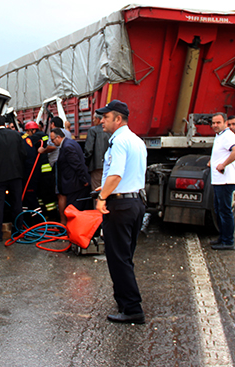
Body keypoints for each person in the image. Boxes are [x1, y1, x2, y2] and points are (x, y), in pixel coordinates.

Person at [95, 100, 147, 324]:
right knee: (126, 256)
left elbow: (116, 175)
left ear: (118, 119)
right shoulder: (136, 140)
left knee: (118, 258)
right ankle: (125, 301)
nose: (101, 121)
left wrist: (102, 197)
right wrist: (106, 186)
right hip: (135, 202)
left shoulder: (118, 142)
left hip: (120, 206)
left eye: (105, 117)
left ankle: (132, 308)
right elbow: (127, 175)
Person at [0, 115, 27, 242]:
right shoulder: (16, 135)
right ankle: (18, 230)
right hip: (16, 175)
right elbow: (24, 154)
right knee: (17, 203)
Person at [208, 112, 235, 250]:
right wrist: (213, 161)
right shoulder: (220, 136)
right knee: (219, 210)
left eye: (218, 123)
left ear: (225, 123)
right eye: (213, 123)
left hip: (226, 181)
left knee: (225, 211)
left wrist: (223, 164)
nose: (215, 125)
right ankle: (222, 238)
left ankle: (228, 241)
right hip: (218, 180)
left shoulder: (228, 135)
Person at [37, 116, 72, 221]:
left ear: (52, 124)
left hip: (57, 163)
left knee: (59, 192)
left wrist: (42, 150)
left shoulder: (54, 134)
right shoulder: (67, 133)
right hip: (66, 164)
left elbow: (53, 147)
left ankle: (61, 220)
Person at [50, 128, 91, 215]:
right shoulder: (71, 143)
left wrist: (84, 180)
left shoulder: (67, 147)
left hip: (75, 185)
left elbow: (76, 165)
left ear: (58, 137)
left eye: (53, 139)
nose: (52, 142)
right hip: (75, 184)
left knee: (74, 210)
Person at [84, 112, 111, 191]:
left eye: (94, 119)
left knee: (97, 192)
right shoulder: (110, 131)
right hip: (109, 165)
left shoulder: (93, 130)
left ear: (98, 119)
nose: (93, 121)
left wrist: (86, 163)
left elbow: (88, 150)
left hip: (97, 166)